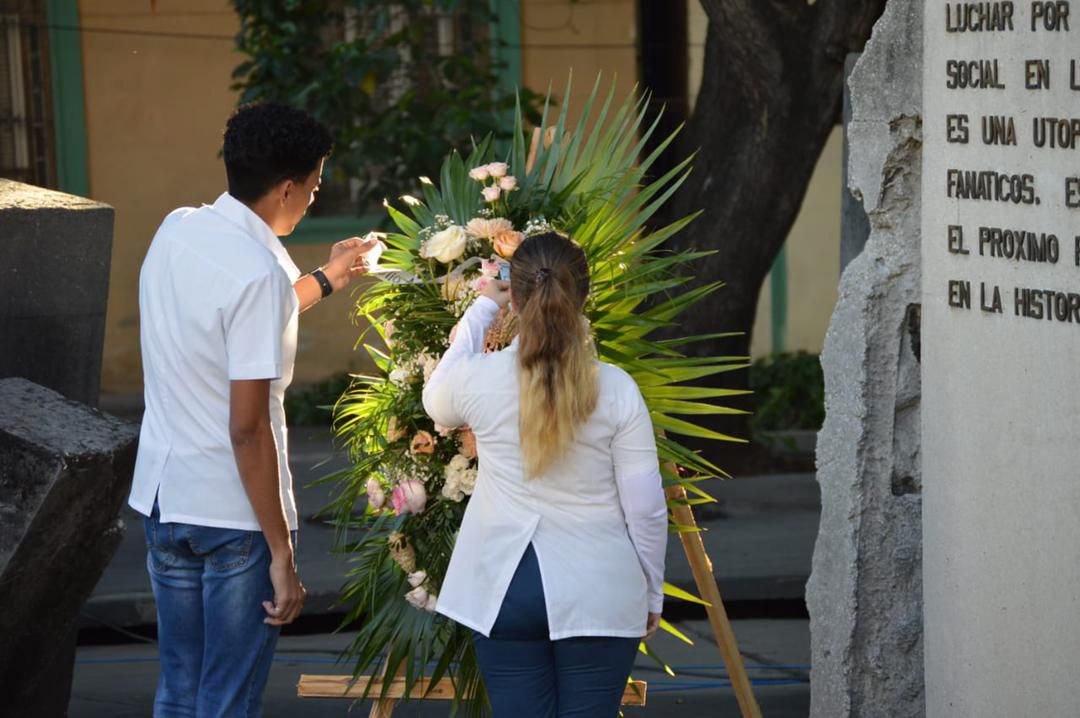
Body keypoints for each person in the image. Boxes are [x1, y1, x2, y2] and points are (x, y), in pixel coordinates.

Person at [127, 101, 377, 717]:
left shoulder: (177, 228)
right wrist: (282, 555)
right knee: (226, 705)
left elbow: (244, 319)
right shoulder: (257, 276)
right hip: (234, 518)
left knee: (179, 695)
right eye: (315, 187)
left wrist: (327, 277)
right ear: (288, 187)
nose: (314, 199)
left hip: (165, 500)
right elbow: (247, 428)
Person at [422, 231, 668, 717]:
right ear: (585, 296)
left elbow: (437, 400)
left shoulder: (481, 377)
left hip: (504, 583)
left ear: (514, 294)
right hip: (600, 585)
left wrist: (480, 311)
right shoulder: (617, 389)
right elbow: (645, 507)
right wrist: (651, 591)